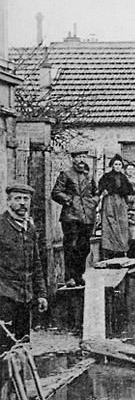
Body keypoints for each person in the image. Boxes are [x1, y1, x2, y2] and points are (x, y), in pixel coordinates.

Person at [0, 183, 48, 354]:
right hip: (5, 298)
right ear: (8, 201)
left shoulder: (30, 227)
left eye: (26, 199)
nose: (22, 203)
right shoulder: (1, 226)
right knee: (5, 350)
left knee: (22, 347)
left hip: (25, 298)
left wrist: (41, 294)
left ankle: (18, 380)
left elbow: (36, 263)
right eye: (17, 199)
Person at [51, 150, 98, 287]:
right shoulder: (65, 175)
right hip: (70, 215)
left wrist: (93, 202)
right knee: (71, 246)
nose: (82, 160)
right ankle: (69, 276)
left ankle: (79, 275)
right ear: (73, 159)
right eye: (79, 157)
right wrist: (69, 199)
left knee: (84, 247)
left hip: (87, 216)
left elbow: (96, 193)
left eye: (84, 157)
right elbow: (56, 192)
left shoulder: (88, 176)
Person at [98, 155, 134, 259]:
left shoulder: (123, 177)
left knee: (122, 224)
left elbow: (129, 190)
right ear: (112, 165)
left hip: (121, 203)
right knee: (110, 224)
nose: (117, 166)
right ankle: (109, 251)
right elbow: (101, 187)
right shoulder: (106, 176)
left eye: (119, 164)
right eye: (115, 164)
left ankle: (121, 250)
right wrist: (105, 192)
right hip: (109, 201)